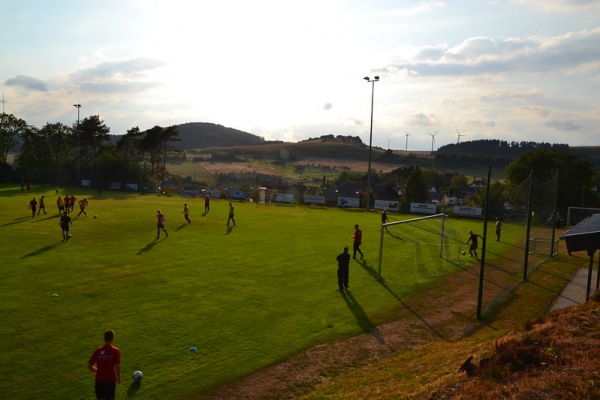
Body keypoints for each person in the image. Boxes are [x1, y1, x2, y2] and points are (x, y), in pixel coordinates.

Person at [88, 330, 121, 400]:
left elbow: (90, 366)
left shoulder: (97, 350)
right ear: (113, 339)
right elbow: (117, 366)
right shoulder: (115, 350)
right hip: (110, 380)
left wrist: (97, 370)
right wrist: (118, 376)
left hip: (99, 381)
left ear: (104, 338)